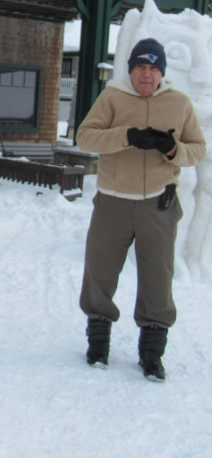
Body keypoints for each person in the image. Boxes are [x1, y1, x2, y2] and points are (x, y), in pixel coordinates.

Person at [76, 38, 206, 381]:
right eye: (140, 67)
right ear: (130, 70)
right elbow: (85, 138)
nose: (146, 75)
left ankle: (151, 353)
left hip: (158, 205)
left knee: (157, 278)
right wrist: (127, 136)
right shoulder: (112, 97)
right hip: (113, 202)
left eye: (153, 68)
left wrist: (171, 147)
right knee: (100, 272)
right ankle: (98, 343)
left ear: (161, 72)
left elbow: (198, 150)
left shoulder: (179, 103)